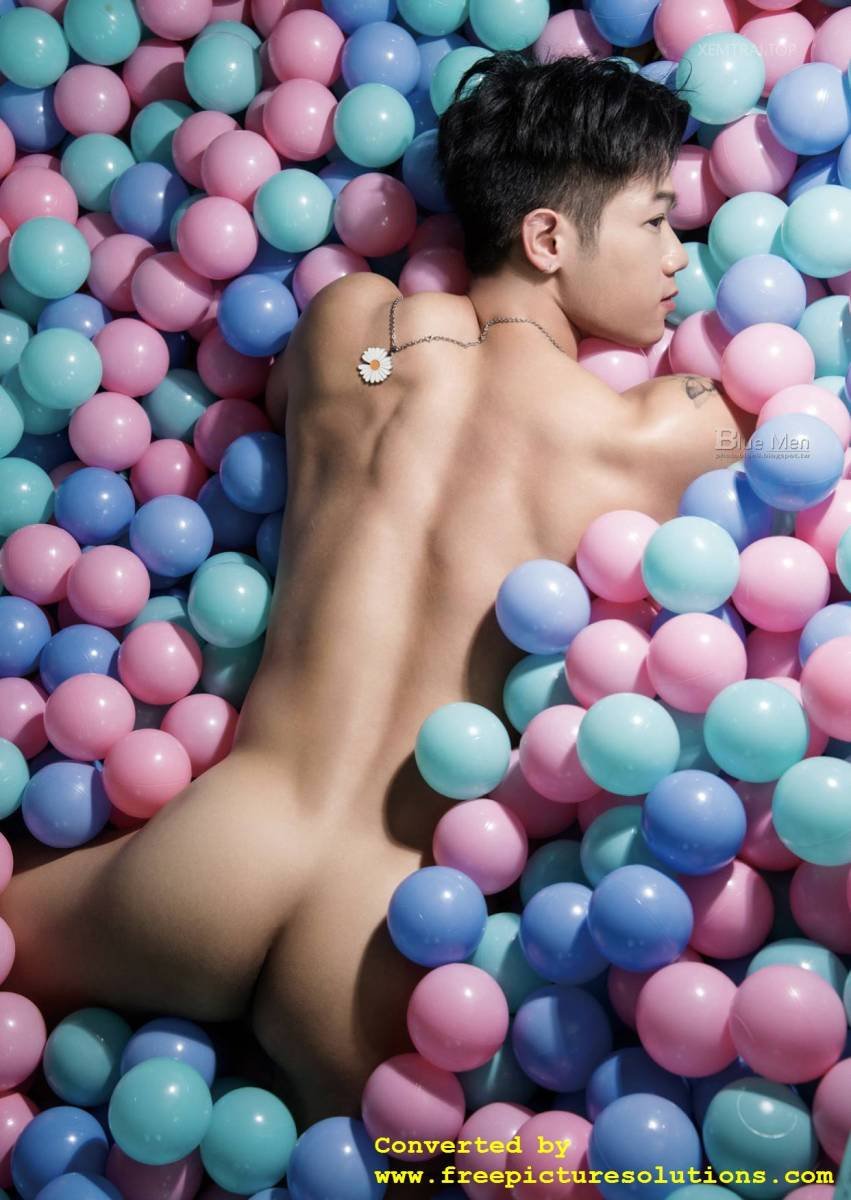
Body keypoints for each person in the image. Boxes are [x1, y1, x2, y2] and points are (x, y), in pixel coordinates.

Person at [0, 48, 756, 1152]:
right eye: (654, 222)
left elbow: (321, 392)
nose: (678, 258)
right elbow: (784, 449)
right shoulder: (658, 431)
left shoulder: (349, 324)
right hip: (386, 932)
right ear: (548, 238)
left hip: (214, 854)